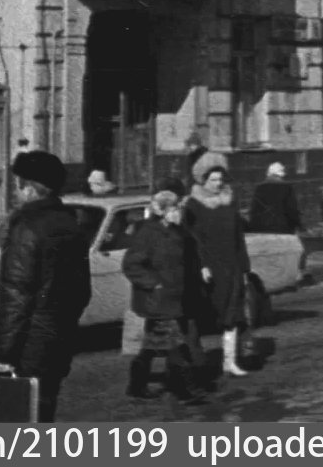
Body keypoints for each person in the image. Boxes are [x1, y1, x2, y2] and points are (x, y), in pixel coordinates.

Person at [0, 149, 93, 422]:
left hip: (28, 345)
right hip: (58, 339)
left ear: (28, 186)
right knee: (44, 411)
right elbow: (83, 292)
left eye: (17, 183)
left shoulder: (27, 227)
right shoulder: (71, 224)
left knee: (16, 422)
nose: (15, 191)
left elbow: (17, 295)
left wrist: (3, 353)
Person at [121, 189, 208, 405]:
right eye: (174, 209)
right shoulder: (148, 233)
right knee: (176, 345)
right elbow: (131, 264)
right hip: (158, 300)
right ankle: (183, 390)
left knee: (152, 346)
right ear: (161, 211)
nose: (178, 212)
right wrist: (154, 283)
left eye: (179, 208)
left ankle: (136, 386)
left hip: (173, 298)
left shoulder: (177, 232)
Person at [183, 160, 250, 381]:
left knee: (232, 312)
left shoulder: (229, 201)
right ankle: (196, 362)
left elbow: (238, 236)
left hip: (231, 265)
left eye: (220, 179)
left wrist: (244, 266)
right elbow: (193, 239)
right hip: (208, 269)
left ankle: (230, 361)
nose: (218, 184)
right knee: (201, 315)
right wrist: (202, 265)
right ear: (203, 181)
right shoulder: (194, 205)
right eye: (213, 180)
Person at [247, 161, 301, 235]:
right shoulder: (287, 188)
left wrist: (253, 228)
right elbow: (292, 210)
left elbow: (254, 211)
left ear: (268, 174)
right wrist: (297, 225)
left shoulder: (260, 188)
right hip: (283, 230)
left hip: (262, 230)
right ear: (281, 175)